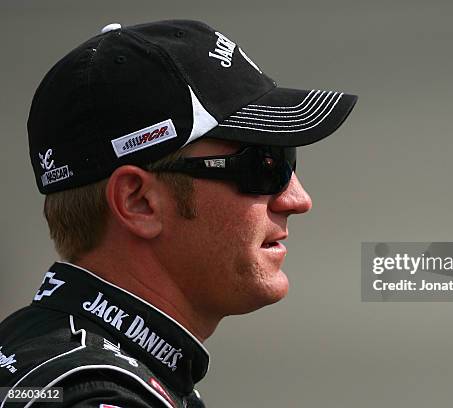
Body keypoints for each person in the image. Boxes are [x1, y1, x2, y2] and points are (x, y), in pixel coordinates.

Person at [0, 19, 357, 407]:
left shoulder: (34, 352)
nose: (298, 199)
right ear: (139, 202)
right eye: (264, 165)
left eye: (288, 157)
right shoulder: (99, 396)